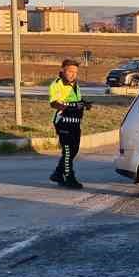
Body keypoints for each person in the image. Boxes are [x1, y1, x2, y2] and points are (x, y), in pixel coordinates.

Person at [48, 59, 91, 189]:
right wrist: (66, 108)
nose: (73, 74)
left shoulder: (75, 85)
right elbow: (53, 103)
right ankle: (69, 177)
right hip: (63, 122)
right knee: (67, 150)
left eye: (75, 72)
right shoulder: (57, 84)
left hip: (75, 122)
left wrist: (84, 103)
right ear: (63, 70)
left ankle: (57, 173)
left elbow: (77, 100)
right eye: (70, 71)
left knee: (74, 150)